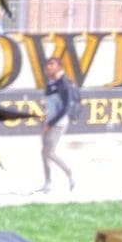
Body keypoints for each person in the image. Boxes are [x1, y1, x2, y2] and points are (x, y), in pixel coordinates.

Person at [38, 55, 75, 194]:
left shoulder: (64, 84)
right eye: (47, 65)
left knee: (49, 152)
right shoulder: (49, 82)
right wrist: (44, 117)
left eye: (52, 64)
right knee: (44, 152)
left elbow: (65, 108)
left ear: (59, 67)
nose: (48, 67)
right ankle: (48, 183)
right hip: (48, 121)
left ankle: (68, 172)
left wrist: (51, 123)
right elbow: (49, 102)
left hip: (58, 124)